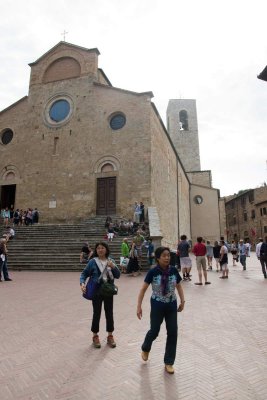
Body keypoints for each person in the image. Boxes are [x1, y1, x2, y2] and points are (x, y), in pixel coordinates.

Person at [137, 246, 185, 374]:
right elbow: (143, 289)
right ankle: (146, 347)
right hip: (157, 304)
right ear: (158, 258)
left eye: (168, 255)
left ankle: (169, 362)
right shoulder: (153, 272)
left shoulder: (174, 270)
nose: (167, 258)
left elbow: (179, 286)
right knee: (154, 331)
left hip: (171, 304)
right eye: (164, 255)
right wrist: (139, 306)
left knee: (173, 332)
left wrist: (182, 301)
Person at [80, 242, 120, 348]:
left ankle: (110, 336)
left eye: (102, 248)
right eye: (98, 248)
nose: (100, 250)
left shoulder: (111, 261)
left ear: (106, 249)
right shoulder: (93, 262)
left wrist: (114, 267)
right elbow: (84, 274)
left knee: (109, 313)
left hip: (108, 292)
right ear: (96, 250)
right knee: (96, 313)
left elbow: (118, 275)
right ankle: (95, 336)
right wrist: (82, 283)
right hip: (96, 292)